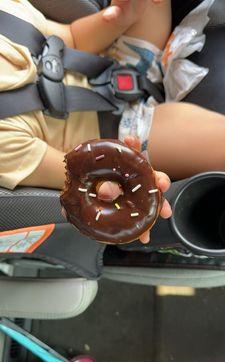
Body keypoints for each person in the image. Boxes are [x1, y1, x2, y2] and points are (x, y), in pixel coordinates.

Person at [0, 0, 221, 243]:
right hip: (123, 133)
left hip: (119, 62)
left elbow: (72, 39)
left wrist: (120, 17)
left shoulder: (6, 14)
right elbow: (74, 175)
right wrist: (115, 189)